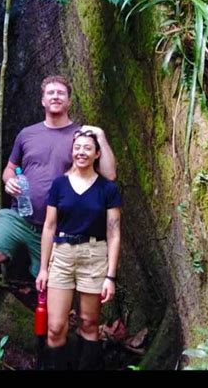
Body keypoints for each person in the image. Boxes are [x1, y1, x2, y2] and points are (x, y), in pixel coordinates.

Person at [0, 75, 117, 363]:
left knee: (52, 300)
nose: (56, 96)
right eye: (50, 92)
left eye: (61, 93)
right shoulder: (27, 134)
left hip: (60, 231)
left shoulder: (80, 137)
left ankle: (50, 356)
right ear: (42, 100)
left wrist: (102, 137)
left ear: (69, 100)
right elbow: (10, 169)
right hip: (17, 219)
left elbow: (109, 175)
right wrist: (8, 181)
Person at [35, 129, 122, 371]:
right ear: (71, 151)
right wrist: (43, 268)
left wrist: (110, 276)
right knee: (55, 327)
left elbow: (114, 233)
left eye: (87, 148)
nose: (81, 152)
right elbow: (49, 227)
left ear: (97, 154)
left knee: (89, 322)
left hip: (94, 256)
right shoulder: (59, 184)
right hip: (61, 255)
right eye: (77, 147)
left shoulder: (107, 189)